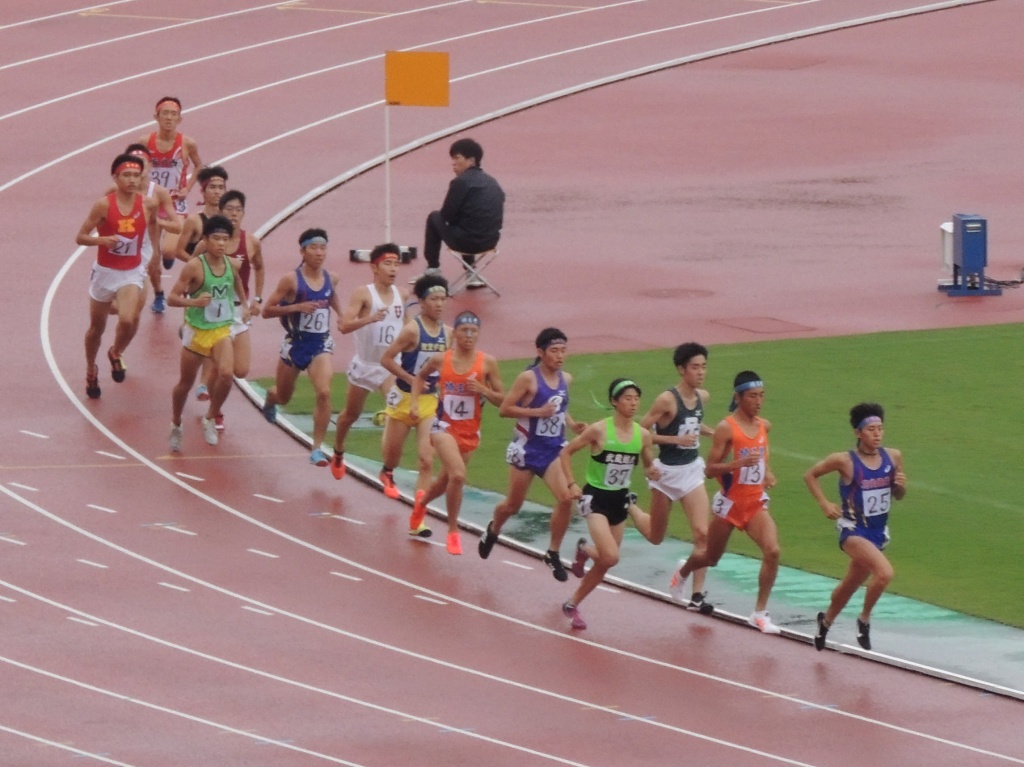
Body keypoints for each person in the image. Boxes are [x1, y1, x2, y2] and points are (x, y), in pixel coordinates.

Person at [668, 371, 783, 634]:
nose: (758, 401)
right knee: (711, 557)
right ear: (738, 397)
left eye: (761, 395)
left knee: (773, 550)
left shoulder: (763, 426)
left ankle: (759, 613)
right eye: (752, 396)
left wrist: (767, 473)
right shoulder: (726, 428)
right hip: (730, 503)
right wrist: (737, 464)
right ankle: (683, 571)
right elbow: (710, 469)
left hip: (754, 502)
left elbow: (763, 453)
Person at [478, 328, 585, 581]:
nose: (560, 356)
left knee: (565, 498)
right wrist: (538, 413)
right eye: (554, 351)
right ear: (540, 352)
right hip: (527, 449)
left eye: (563, 350)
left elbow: (558, 407)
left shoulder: (565, 379)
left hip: (553, 450)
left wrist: (571, 424)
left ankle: (553, 552)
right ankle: (494, 529)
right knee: (513, 506)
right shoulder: (528, 379)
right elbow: (504, 409)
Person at [804, 403, 907, 651]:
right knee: (884, 574)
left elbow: (899, 495)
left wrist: (900, 486)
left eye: (880, 429)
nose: (878, 434)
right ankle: (864, 619)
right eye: (871, 429)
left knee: (850, 585)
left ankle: (825, 621)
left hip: (878, 533)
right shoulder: (844, 461)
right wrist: (824, 503)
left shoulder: (893, 457)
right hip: (853, 531)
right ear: (858, 432)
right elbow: (810, 475)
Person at [560, 379, 659, 630]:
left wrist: (653, 473)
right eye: (627, 398)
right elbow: (566, 452)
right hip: (596, 498)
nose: (633, 403)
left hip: (619, 500)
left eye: (636, 398)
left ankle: (572, 602)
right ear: (614, 402)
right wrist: (572, 484)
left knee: (605, 562)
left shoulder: (642, 435)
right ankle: (584, 548)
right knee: (611, 556)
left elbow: (648, 465)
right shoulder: (599, 430)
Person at [408, 311, 504, 552]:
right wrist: (415, 402)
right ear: (456, 333)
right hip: (443, 427)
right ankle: (452, 530)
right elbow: (419, 377)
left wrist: (483, 389)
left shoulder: (487, 363)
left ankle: (421, 504)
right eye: (464, 331)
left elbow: (502, 400)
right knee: (458, 475)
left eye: (474, 332)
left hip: (470, 431)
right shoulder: (441, 359)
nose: (469, 336)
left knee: (444, 481)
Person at [632, 342, 716, 615]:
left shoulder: (703, 397)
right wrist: (674, 439)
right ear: (681, 370)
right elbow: (640, 432)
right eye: (695, 367)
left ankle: (696, 594)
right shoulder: (667, 400)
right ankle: (629, 504)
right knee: (656, 536)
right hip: (666, 474)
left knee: (703, 534)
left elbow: (694, 422)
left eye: (703, 366)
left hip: (691, 471)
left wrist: (713, 433)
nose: (701, 372)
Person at [76, 153, 159, 399]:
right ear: (116, 177)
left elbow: (153, 227)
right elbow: (80, 237)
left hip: (131, 272)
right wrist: (102, 240)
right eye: (127, 175)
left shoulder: (148, 204)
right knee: (96, 328)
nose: (132, 180)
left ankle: (116, 351)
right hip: (105, 272)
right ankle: (91, 368)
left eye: (136, 175)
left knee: (128, 319)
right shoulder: (104, 205)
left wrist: (152, 254)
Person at [166, 215, 248, 451]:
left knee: (226, 373)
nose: (221, 244)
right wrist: (194, 303)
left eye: (225, 239)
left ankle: (210, 417)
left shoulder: (231, 265)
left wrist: (245, 306)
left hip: (221, 329)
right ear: (205, 240)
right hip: (197, 330)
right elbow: (172, 298)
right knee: (185, 383)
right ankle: (176, 423)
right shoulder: (195, 266)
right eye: (216, 239)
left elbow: (237, 285)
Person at [261, 229, 342, 466]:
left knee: (325, 392)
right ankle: (271, 397)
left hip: (320, 344)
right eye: (314, 248)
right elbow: (267, 311)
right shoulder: (291, 280)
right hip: (296, 344)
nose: (319, 253)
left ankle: (316, 448)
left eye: (323, 248)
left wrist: (342, 315)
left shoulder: (332, 277)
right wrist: (295, 308)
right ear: (303, 251)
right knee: (284, 397)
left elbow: (331, 296)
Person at [330, 243, 407, 480]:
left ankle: (387, 471)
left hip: (389, 366)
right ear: (375, 267)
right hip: (365, 365)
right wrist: (371, 319)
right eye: (388, 264)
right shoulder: (363, 293)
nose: (393, 269)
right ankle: (339, 451)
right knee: (350, 415)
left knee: (396, 413)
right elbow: (343, 326)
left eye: (396, 264)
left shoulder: (402, 294)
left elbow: (408, 325)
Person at [190, 189, 264, 429]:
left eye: (238, 210)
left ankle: (213, 399)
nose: (234, 214)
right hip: (212, 313)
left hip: (238, 311)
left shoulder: (251, 242)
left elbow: (260, 268)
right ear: (221, 212)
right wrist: (193, 305)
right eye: (229, 209)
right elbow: (192, 271)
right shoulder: (205, 244)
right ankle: (215, 412)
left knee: (240, 370)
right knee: (223, 368)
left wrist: (256, 300)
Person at [378, 273, 451, 502]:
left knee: (427, 460)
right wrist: (411, 379)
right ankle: (387, 472)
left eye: (443, 299)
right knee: (393, 457)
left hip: (429, 402)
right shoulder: (412, 330)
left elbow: (447, 366)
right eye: (434, 299)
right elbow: (386, 359)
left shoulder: (449, 333)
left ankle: (419, 515)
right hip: (403, 398)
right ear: (421, 301)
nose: (439, 304)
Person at [419, 137, 504, 288]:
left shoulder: (460, 182)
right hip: (490, 241)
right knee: (467, 224)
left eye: (457, 158)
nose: (453, 163)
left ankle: (432, 269)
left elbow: (446, 215)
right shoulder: (493, 182)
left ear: (471, 160)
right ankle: (471, 273)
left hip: (466, 242)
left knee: (434, 217)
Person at [118, 143, 181, 315]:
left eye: (143, 162)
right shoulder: (117, 192)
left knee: (152, 269)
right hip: (122, 247)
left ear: (150, 165)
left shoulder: (159, 192)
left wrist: (156, 222)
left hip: (146, 245)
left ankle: (158, 293)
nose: (139, 166)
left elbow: (176, 226)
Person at [139, 96, 203, 217]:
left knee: (177, 233)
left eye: (174, 114)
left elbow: (199, 165)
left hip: (176, 201)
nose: (169, 118)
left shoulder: (187, 143)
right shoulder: (145, 142)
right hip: (151, 199)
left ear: (179, 119)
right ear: (156, 117)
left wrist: (187, 188)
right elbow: (133, 168)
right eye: (165, 113)